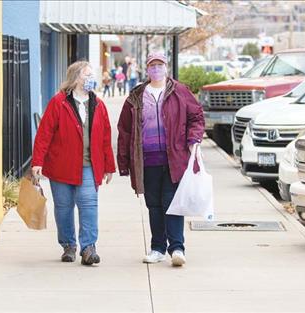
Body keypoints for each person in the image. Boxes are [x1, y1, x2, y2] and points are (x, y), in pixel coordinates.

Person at [117, 52, 205, 267]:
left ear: (166, 67)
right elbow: (125, 130)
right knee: (154, 205)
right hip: (147, 160)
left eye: (160, 65)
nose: (156, 69)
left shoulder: (180, 92)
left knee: (172, 203)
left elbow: (196, 116)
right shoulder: (137, 95)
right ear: (147, 69)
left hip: (174, 159)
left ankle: (177, 248)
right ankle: (158, 248)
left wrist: (194, 138)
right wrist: (124, 162)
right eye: (152, 65)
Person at [32, 61, 116, 266]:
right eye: (87, 75)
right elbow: (44, 134)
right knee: (63, 207)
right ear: (76, 77)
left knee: (89, 205)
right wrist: (38, 161)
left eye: (92, 75)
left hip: (89, 165)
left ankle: (88, 248)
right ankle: (68, 245)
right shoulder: (59, 102)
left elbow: (105, 136)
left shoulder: (98, 104)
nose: (91, 78)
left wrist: (109, 165)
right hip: (61, 165)